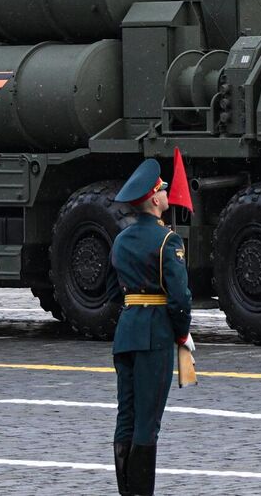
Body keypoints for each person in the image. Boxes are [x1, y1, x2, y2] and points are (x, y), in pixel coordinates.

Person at [111, 159, 192, 496]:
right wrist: (181, 333)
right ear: (155, 200)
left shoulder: (121, 240)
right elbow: (180, 299)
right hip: (154, 336)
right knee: (148, 422)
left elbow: (120, 289)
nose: (164, 191)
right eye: (161, 188)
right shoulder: (168, 242)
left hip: (126, 332)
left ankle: (126, 491)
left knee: (126, 416)